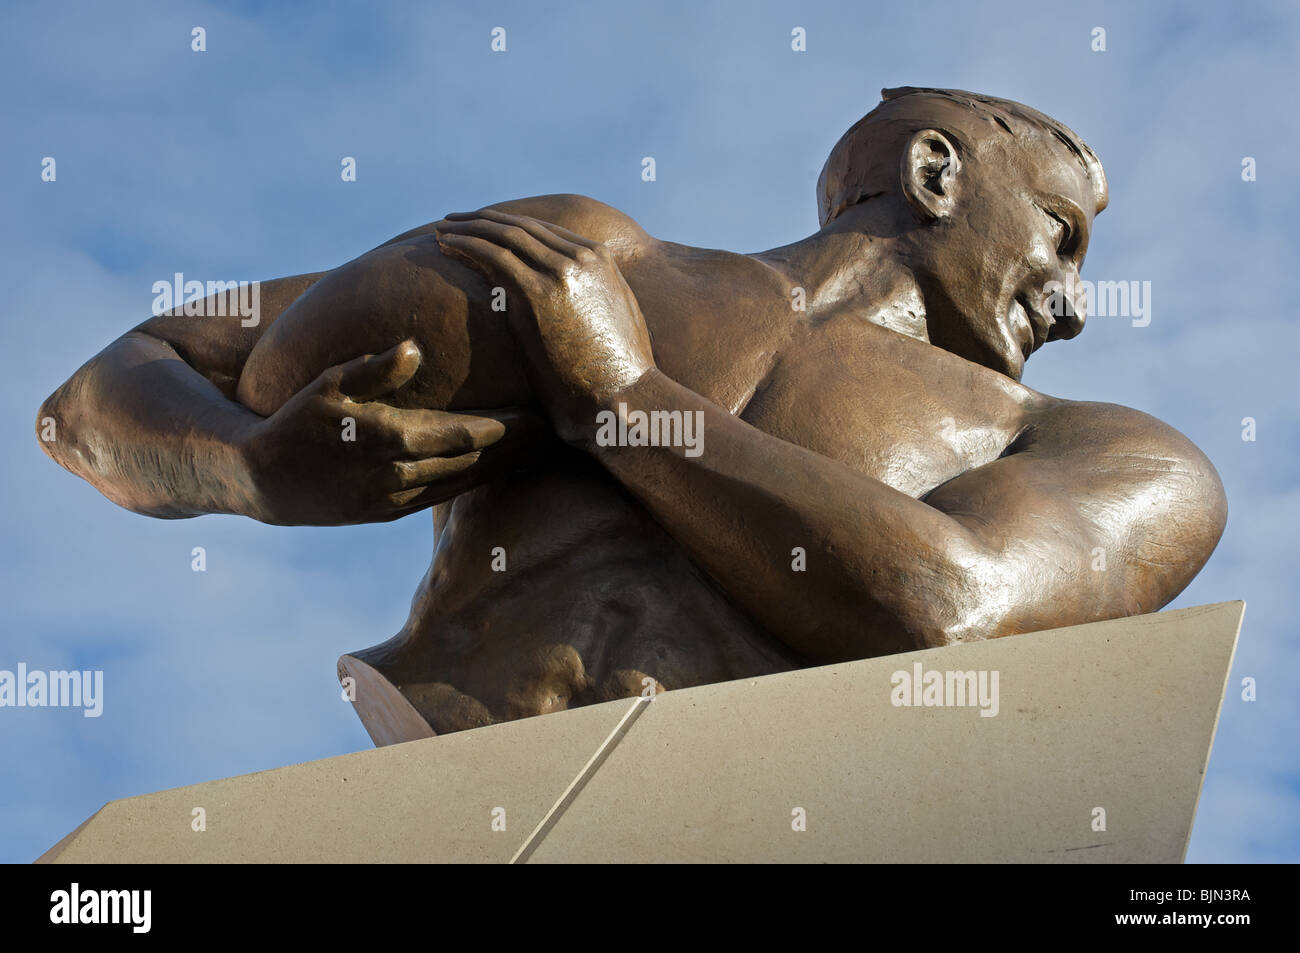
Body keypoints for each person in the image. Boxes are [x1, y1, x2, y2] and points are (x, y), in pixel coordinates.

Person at [37, 88, 1226, 735]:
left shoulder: (1104, 449)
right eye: (1061, 237)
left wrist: (618, 397)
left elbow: (949, 606)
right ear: (933, 173)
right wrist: (240, 464)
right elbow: (108, 381)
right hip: (441, 778)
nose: (1074, 304)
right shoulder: (585, 254)